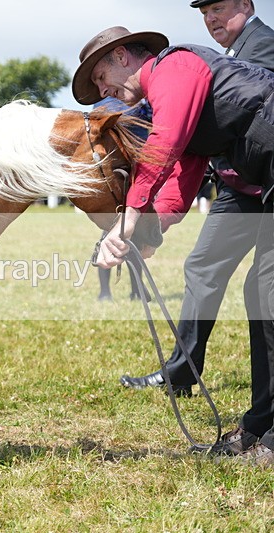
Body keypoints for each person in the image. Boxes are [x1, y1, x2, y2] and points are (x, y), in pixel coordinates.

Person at [72, 24, 274, 464]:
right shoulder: (172, 95)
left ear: (123, 55)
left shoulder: (174, 67)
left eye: (102, 77)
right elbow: (182, 177)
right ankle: (261, 426)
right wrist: (147, 237)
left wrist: (124, 225)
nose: (103, 89)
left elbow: (163, 147)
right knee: (262, 293)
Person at [93, 97, 152, 302]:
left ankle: (127, 290)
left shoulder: (107, 103)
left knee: (124, 237)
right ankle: (108, 292)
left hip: (134, 176)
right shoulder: (125, 102)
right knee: (113, 237)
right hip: (124, 178)